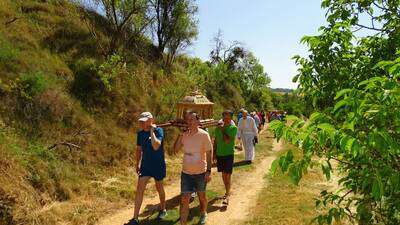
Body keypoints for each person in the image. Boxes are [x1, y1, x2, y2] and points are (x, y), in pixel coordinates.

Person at [125, 112, 167, 225]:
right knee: (139, 190)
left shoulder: (159, 131)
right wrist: (137, 163)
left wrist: (152, 131)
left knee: (159, 188)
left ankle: (163, 209)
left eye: (143, 121)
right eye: (140, 121)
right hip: (146, 166)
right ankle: (135, 218)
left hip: (158, 165)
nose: (141, 123)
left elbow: (156, 145)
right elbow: (138, 150)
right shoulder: (140, 134)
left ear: (151, 120)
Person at [174, 112, 213, 225]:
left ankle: (203, 212)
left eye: (192, 119)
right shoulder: (184, 135)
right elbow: (176, 150)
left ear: (197, 121)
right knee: (184, 199)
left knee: (202, 197)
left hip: (201, 172)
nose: (189, 122)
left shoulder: (204, 135)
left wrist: (209, 171)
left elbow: (209, 153)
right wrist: (180, 134)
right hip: (186, 173)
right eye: (188, 120)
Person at [214, 110, 238, 205]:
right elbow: (216, 141)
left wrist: (223, 129)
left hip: (228, 154)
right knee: (224, 176)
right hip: (220, 154)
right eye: (224, 118)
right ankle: (227, 191)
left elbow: (227, 140)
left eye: (228, 118)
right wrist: (213, 154)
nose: (226, 120)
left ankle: (227, 195)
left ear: (231, 118)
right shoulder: (217, 129)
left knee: (227, 176)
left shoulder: (233, 128)